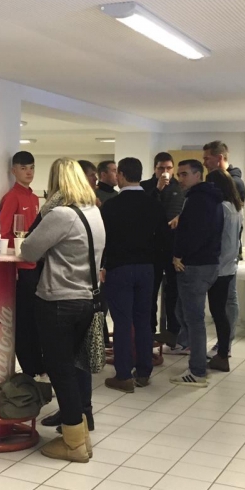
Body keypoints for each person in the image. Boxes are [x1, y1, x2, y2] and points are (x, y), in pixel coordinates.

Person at [20, 158, 104, 462]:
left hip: (58, 300)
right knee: (71, 368)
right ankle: (81, 435)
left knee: (61, 371)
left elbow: (28, 250)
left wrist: (46, 212)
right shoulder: (93, 212)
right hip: (86, 299)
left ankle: (73, 443)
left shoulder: (61, 215)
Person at [100, 158, 166, 391]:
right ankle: (144, 371)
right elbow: (163, 239)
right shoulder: (154, 205)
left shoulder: (111, 206)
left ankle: (123, 375)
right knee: (143, 320)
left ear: (121, 175)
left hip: (119, 269)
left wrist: (103, 266)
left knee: (122, 322)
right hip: (147, 269)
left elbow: (104, 240)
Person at [169, 159, 224, 388]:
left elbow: (195, 234)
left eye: (184, 174)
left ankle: (197, 371)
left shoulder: (199, 199)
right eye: (179, 174)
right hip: (207, 264)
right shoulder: (209, 197)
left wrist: (179, 255)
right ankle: (196, 357)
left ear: (197, 175)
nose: (180, 178)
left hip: (195, 265)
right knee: (183, 313)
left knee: (194, 319)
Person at [0, 151, 42, 376]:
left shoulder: (34, 197)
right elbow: (4, 234)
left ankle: (38, 366)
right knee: (24, 321)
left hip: (37, 266)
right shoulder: (12, 197)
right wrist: (12, 268)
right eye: (23, 168)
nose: (29, 172)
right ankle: (31, 368)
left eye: (31, 167)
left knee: (35, 319)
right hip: (22, 269)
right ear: (14, 171)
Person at [142, 153, 185, 344]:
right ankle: (149, 331)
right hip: (151, 248)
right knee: (149, 292)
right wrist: (158, 188)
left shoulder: (181, 187)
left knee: (174, 292)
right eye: (161, 168)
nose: (165, 172)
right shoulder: (145, 187)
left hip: (174, 247)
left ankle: (173, 332)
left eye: (168, 168)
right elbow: (143, 211)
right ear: (154, 169)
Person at [207, 169, 243, 373]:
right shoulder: (236, 207)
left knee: (218, 312)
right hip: (229, 266)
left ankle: (221, 354)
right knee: (221, 311)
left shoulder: (220, 208)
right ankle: (224, 351)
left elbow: (215, 237)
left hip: (218, 266)